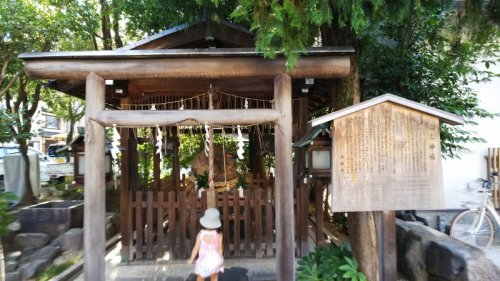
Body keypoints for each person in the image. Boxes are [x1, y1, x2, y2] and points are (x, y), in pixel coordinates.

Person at [188, 208, 224, 281]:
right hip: (214, 260)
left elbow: (196, 248)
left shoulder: (200, 235)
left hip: (203, 260)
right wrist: (220, 259)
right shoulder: (219, 234)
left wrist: (191, 259)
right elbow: (220, 248)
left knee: (200, 277)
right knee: (214, 277)